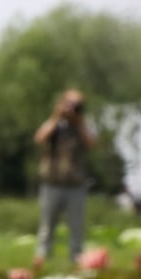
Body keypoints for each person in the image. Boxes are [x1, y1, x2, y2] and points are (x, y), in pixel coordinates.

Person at [33, 89, 95, 264]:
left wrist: (79, 123)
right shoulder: (54, 124)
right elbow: (39, 138)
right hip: (52, 183)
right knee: (47, 225)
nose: (72, 109)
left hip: (75, 185)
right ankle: (42, 257)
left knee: (76, 226)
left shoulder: (83, 126)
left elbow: (92, 143)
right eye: (70, 104)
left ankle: (77, 258)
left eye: (77, 106)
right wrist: (56, 117)